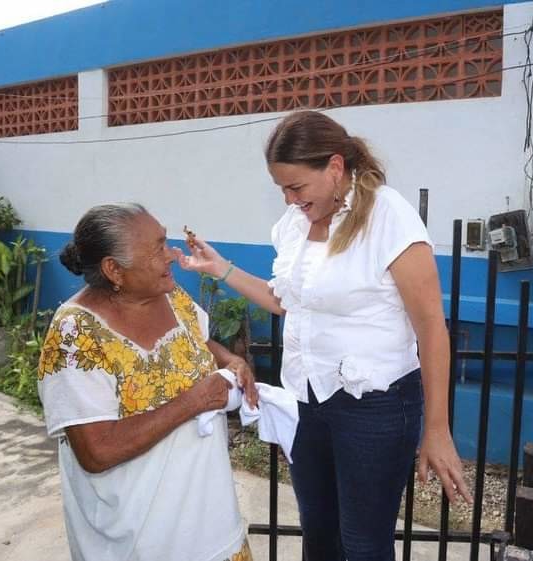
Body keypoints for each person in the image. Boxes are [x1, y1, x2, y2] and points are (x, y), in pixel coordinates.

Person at [178, 111, 472, 561]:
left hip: (375, 405)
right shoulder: (296, 225)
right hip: (306, 402)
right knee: (319, 535)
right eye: (281, 189)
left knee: (363, 544)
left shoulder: (387, 216)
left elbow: (431, 326)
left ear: (335, 167)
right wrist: (221, 268)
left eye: (296, 187)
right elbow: (286, 300)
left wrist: (437, 428)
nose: (289, 199)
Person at [37, 203, 258, 561]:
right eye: (157, 248)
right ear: (114, 269)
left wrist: (231, 360)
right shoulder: (75, 335)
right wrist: (193, 401)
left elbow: (198, 341)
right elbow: (96, 451)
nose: (171, 255)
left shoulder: (169, 296)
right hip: (140, 539)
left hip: (210, 521)